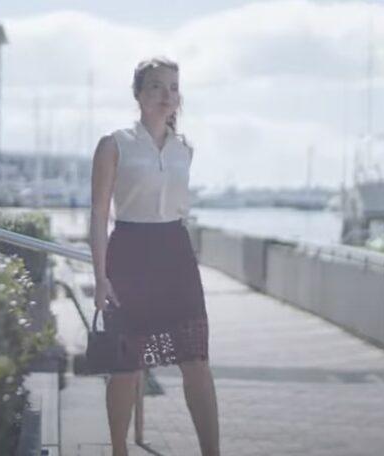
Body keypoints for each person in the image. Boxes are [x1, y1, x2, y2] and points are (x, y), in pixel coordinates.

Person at [90, 57, 220, 456]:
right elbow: (97, 216)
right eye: (157, 87)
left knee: (196, 359)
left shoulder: (185, 150)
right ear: (138, 94)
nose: (167, 96)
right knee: (127, 367)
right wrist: (100, 278)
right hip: (129, 254)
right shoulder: (114, 144)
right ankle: (118, 450)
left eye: (174, 88)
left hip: (175, 255)